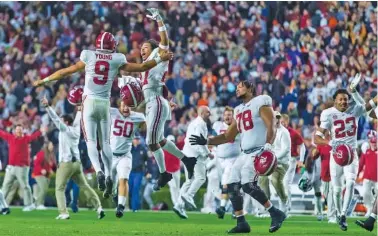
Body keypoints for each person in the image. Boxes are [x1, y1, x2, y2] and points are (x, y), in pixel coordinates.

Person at [33, 30, 173, 199]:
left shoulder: (88, 55)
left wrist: (44, 80)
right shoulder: (117, 58)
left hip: (89, 102)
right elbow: (142, 67)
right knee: (106, 143)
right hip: (104, 103)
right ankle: (107, 175)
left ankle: (99, 171)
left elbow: (65, 72)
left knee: (91, 141)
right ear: (112, 46)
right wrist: (159, 59)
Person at [190, 81, 286, 233]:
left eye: (240, 86)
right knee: (231, 185)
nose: (237, 89)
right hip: (245, 153)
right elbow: (228, 136)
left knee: (248, 185)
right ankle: (241, 222)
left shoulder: (260, 101)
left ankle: (275, 213)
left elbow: (271, 124)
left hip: (259, 150)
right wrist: (207, 140)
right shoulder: (238, 109)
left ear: (250, 88)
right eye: (236, 87)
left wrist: (268, 145)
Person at [137, 8, 196, 191]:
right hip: (154, 102)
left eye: (145, 47)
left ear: (153, 49)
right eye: (141, 48)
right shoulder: (144, 67)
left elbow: (164, 41)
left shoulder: (159, 55)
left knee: (151, 141)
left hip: (155, 102)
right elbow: (160, 84)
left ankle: (164, 173)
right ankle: (186, 159)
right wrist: (167, 99)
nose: (142, 50)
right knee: (159, 140)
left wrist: (159, 21)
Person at [314, 75, 377, 231]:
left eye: (345, 99)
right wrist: (329, 143)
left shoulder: (355, 109)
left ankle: (342, 215)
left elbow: (372, 103)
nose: (343, 101)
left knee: (350, 183)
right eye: (340, 99)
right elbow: (317, 138)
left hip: (351, 154)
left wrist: (354, 91)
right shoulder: (328, 113)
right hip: (336, 155)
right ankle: (336, 213)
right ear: (335, 100)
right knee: (336, 190)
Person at [41, 97, 104, 220]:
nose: (59, 121)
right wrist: (80, 109)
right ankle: (99, 207)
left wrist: (48, 107)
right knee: (85, 186)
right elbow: (78, 120)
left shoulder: (65, 129)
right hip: (77, 164)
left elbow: (54, 118)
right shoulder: (76, 129)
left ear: (66, 122)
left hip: (66, 163)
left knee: (59, 188)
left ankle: (63, 212)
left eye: (61, 120)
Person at [173, 106, 212, 219]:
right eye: (208, 112)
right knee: (201, 178)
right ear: (202, 113)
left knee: (189, 181)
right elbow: (197, 142)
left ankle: (179, 205)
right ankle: (189, 196)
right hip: (194, 155)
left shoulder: (193, 123)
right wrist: (207, 153)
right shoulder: (200, 124)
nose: (210, 114)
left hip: (187, 154)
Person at [109, 101, 145, 217]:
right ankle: (115, 193)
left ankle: (120, 207)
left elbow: (150, 125)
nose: (126, 108)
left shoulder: (138, 117)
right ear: (119, 106)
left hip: (125, 155)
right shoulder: (112, 112)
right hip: (110, 156)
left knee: (123, 179)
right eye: (123, 105)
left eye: (128, 105)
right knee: (110, 184)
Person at [0, 123, 43, 212]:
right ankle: (2, 205)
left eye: (20, 129)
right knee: (5, 186)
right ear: (14, 131)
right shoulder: (11, 138)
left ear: (23, 130)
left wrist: (40, 131)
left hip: (22, 167)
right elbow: (2, 133)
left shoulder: (26, 138)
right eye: (17, 129)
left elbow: (33, 137)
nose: (18, 131)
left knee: (25, 186)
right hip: (11, 167)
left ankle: (30, 204)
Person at [212, 106, 241, 219]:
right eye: (226, 115)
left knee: (226, 183)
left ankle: (223, 207)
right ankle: (233, 208)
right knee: (230, 186)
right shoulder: (218, 125)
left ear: (233, 116)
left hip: (233, 160)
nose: (227, 117)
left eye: (229, 115)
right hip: (220, 160)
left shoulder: (238, 127)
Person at [259, 111, 290, 215]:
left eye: (277, 118)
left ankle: (284, 200)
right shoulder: (268, 131)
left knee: (275, 180)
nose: (276, 120)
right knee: (262, 179)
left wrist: (274, 158)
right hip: (270, 162)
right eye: (274, 118)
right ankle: (267, 206)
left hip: (282, 162)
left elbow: (285, 149)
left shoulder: (284, 132)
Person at [281, 114, 305, 212]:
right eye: (280, 121)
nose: (282, 123)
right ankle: (284, 206)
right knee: (280, 184)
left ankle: (286, 207)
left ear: (287, 121)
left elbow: (302, 145)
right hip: (279, 160)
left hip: (291, 159)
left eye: (284, 121)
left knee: (286, 183)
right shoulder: (276, 132)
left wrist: (301, 160)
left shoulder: (293, 133)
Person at [311, 137, 336, 223]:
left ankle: (331, 216)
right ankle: (333, 212)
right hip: (324, 174)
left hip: (334, 173)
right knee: (326, 194)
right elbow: (314, 157)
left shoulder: (336, 143)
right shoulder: (320, 145)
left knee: (331, 194)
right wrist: (314, 152)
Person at [358, 131, 377, 217]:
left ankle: (375, 211)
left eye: (374, 141)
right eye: (371, 141)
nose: (373, 143)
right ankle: (370, 209)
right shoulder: (366, 150)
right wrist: (357, 174)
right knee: (365, 193)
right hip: (367, 177)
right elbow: (361, 163)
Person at [32, 141, 55, 210]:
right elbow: (36, 163)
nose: (52, 146)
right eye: (51, 145)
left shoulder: (50, 154)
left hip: (46, 175)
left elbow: (48, 164)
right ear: (47, 146)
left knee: (43, 190)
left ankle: (37, 204)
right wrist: (41, 170)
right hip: (39, 174)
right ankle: (39, 204)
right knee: (43, 189)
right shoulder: (41, 153)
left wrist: (50, 169)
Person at [129, 137, 148, 212]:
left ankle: (135, 208)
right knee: (129, 190)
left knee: (136, 189)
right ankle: (136, 205)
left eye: (137, 139)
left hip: (139, 172)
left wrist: (146, 172)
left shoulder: (143, 149)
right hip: (130, 171)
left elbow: (147, 161)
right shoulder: (130, 149)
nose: (136, 140)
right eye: (135, 139)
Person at [164, 135, 181, 207]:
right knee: (173, 187)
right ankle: (175, 204)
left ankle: (179, 203)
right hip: (168, 172)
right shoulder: (164, 151)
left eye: (173, 141)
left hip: (176, 171)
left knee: (177, 188)